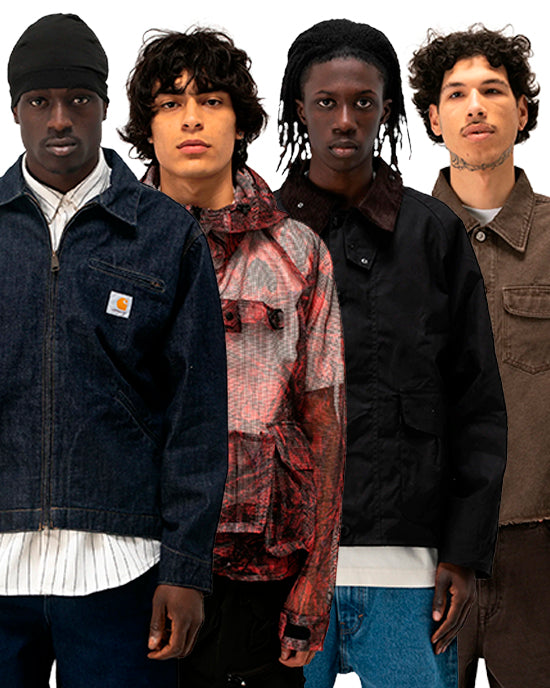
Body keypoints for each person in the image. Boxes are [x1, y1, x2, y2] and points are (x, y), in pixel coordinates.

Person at [277, 19, 507, 688]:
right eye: (326, 102)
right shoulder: (264, 232)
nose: (345, 120)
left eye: (363, 102)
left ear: (388, 109)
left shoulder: (434, 233)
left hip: (410, 573)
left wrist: (463, 553)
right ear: (300, 109)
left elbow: (477, 404)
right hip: (283, 567)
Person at [0, 13, 228, 688]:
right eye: (39, 101)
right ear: (15, 111)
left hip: (126, 569)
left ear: (103, 107)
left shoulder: (166, 234)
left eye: (78, 99)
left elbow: (197, 416)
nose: (60, 119)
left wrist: (186, 568)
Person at [121, 27, 345, 688]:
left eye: (211, 100)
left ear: (241, 122)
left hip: (259, 569)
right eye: (170, 103)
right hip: (130, 561)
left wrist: (316, 584)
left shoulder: (298, 254)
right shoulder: (108, 245)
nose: (191, 118)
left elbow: (326, 428)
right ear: (147, 128)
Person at [410, 24, 550, 688]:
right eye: (456, 93)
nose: (475, 107)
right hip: (425, 551)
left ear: (522, 111)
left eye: (493, 90)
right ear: (433, 118)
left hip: (540, 549)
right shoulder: (394, 241)